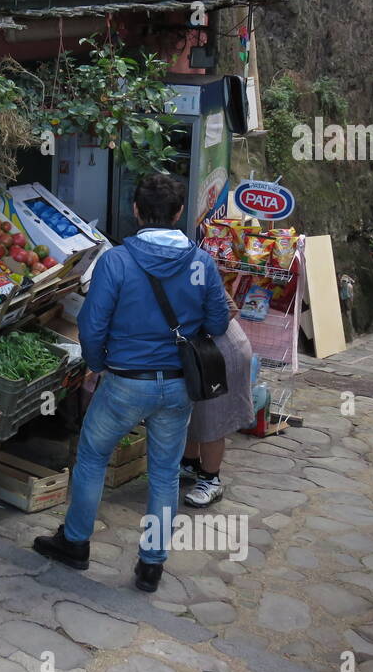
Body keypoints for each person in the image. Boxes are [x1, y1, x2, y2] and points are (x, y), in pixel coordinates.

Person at [34, 173, 230, 593]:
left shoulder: (117, 261)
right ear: (179, 214)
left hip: (124, 382)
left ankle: (75, 543)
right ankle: (151, 565)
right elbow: (217, 321)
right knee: (164, 474)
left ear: (136, 211)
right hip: (179, 386)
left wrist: (98, 363)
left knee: (91, 460)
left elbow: (91, 324)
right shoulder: (201, 263)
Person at [179, 288, 255, 507]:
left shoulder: (196, 264)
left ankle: (211, 479)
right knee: (193, 412)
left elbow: (229, 309)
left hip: (218, 352)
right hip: (195, 351)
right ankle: (190, 463)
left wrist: (191, 329)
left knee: (212, 419)